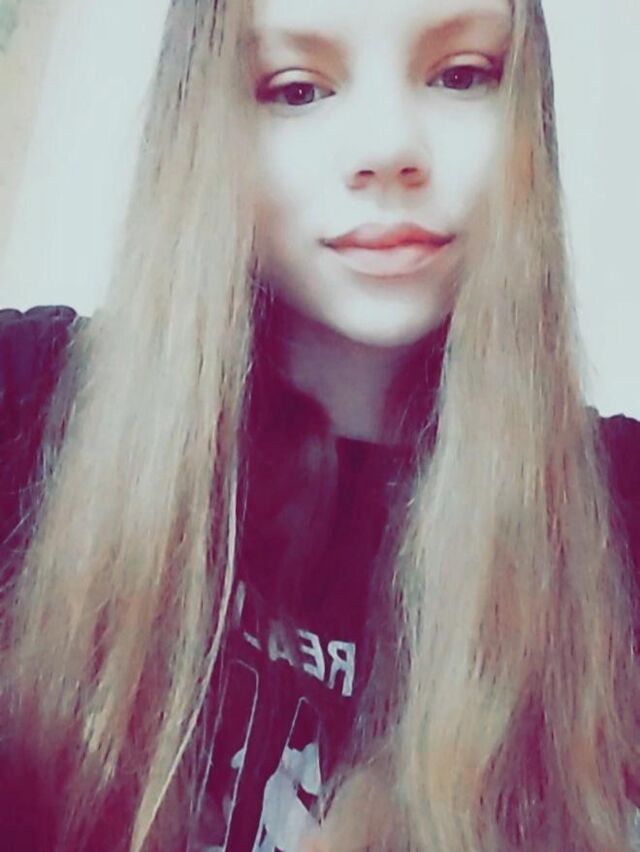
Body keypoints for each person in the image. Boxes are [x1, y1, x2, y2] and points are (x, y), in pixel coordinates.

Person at [1, 0, 640, 850]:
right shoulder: (27, 399)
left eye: (460, 76)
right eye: (298, 89)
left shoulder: (615, 513)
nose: (387, 147)